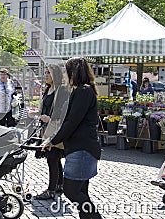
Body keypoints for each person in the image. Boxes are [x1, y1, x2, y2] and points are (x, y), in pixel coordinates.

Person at [50, 57, 102, 219]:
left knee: (71, 191)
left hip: (82, 150)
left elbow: (71, 122)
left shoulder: (82, 92)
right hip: (82, 149)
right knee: (81, 192)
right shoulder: (82, 91)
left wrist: (52, 141)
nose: (65, 76)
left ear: (74, 72)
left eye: (67, 72)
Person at [35, 64, 68, 200]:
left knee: (52, 159)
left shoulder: (61, 90)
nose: (46, 75)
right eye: (46, 72)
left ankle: (51, 190)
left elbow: (63, 111)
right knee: (55, 158)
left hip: (55, 130)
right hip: (46, 130)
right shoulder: (48, 89)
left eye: (49, 73)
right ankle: (60, 184)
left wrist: (50, 119)